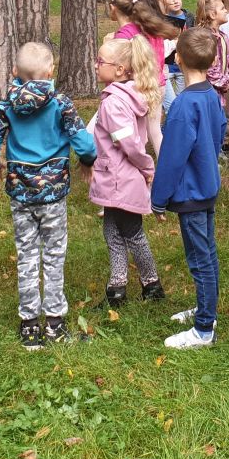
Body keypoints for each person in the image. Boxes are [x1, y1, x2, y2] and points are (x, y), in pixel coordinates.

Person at [0, 42, 97, 350]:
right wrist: (87, 161)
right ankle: (55, 323)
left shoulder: (6, 105)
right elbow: (84, 142)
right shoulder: (61, 103)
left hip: (20, 193)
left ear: (15, 71)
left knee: (27, 254)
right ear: (50, 71)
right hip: (53, 193)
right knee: (54, 255)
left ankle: (29, 325)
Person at [150, 27, 227, 349]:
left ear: (178, 58)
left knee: (200, 258)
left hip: (192, 193)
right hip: (206, 186)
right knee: (207, 252)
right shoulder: (211, 95)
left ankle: (204, 329)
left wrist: (158, 198)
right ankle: (206, 308)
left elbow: (172, 157)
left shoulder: (183, 105)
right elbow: (220, 133)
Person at [89, 34, 164, 307]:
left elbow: (128, 142)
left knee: (133, 233)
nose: (96, 65)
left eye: (101, 61)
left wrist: (147, 167)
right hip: (117, 177)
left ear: (120, 69)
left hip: (120, 178)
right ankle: (117, 288)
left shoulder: (114, 103)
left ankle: (152, 285)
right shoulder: (122, 96)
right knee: (112, 232)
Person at [105, 0, 181, 156]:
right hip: (157, 84)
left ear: (113, 7)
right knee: (153, 132)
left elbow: (119, 70)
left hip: (139, 88)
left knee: (134, 133)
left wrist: (108, 45)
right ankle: (164, 166)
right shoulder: (151, 29)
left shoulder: (126, 35)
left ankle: (141, 165)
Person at [149, 0, 190, 110]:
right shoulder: (154, 20)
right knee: (171, 107)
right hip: (154, 74)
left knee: (164, 108)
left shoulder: (164, 17)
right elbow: (156, 50)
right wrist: (175, 42)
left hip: (162, 72)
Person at [193, 0, 229, 105]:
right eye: (222, 8)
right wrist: (223, 82)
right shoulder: (207, 37)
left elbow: (224, 62)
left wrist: (226, 79)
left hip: (219, 90)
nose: (226, 10)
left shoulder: (222, 36)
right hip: (208, 90)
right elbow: (208, 68)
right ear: (212, 15)